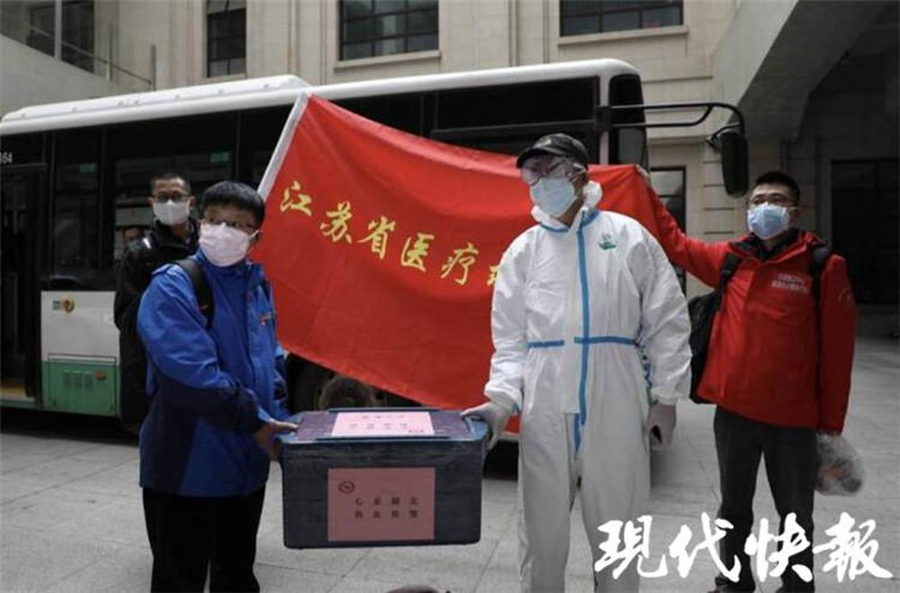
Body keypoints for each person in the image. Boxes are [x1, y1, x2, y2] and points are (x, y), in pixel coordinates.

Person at [464, 134, 692, 592]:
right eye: (532, 173)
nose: (539, 182)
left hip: (616, 393)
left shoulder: (627, 236)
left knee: (619, 525)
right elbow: (510, 340)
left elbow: (666, 318)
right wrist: (501, 401)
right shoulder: (524, 251)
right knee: (540, 528)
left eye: (548, 170)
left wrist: (666, 397)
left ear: (579, 176)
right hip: (546, 398)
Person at [642, 170, 858, 593]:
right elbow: (675, 243)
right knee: (733, 508)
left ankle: (797, 586)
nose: (765, 207)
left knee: (795, 513)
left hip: (793, 420)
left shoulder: (822, 267)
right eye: (758, 201)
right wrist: (647, 190)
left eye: (776, 200)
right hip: (735, 415)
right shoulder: (732, 259)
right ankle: (734, 582)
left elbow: (838, 353)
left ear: (795, 211)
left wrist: (830, 425)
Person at [137, 180, 297, 592]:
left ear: (256, 237)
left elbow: (271, 365)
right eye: (215, 220)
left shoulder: (257, 287)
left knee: (236, 576)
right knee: (180, 580)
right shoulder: (173, 284)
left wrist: (280, 426)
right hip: (187, 469)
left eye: (238, 224)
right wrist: (257, 422)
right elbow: (192, 376)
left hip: (245, 471)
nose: (224, 231)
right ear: (200, 222)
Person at [114, 173, 199, 430]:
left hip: (203, 365)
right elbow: (126, 317)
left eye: (177, 197)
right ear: (152, 203)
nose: (170, 204)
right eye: (163, 197)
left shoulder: (208, 247)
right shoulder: (139, 254)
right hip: (160, 370)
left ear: (191, 202)